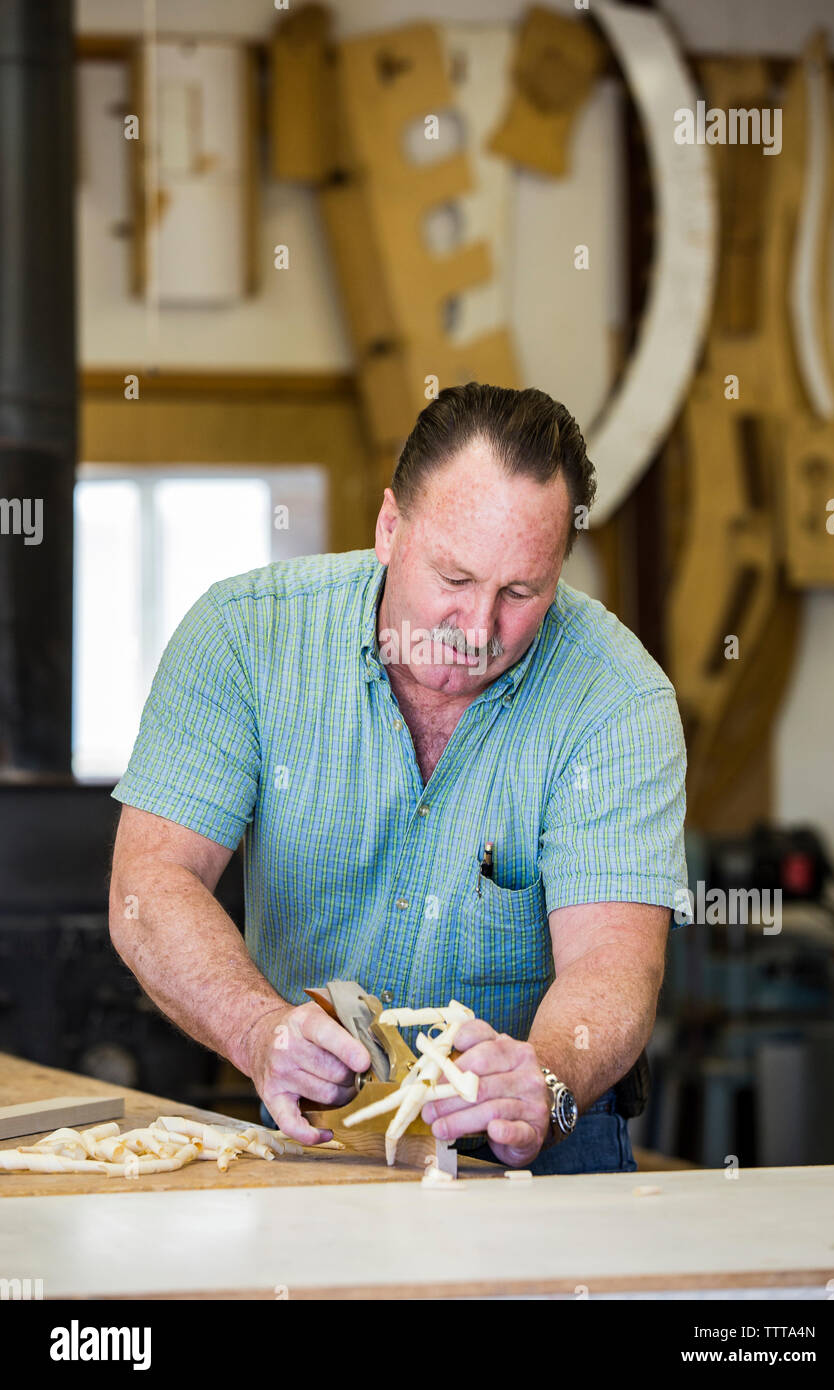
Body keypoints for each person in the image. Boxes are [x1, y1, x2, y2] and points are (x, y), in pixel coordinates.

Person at [109, 382, 690, 1175]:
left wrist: (546, 1081)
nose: (480, 630)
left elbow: (614, 966)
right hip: (313, 1124)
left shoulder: (616, 699)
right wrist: (257, 1031)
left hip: (544, 1138)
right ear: (390, 528)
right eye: (454, 579)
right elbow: (152, 880)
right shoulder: (246, 637)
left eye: (520, 593)